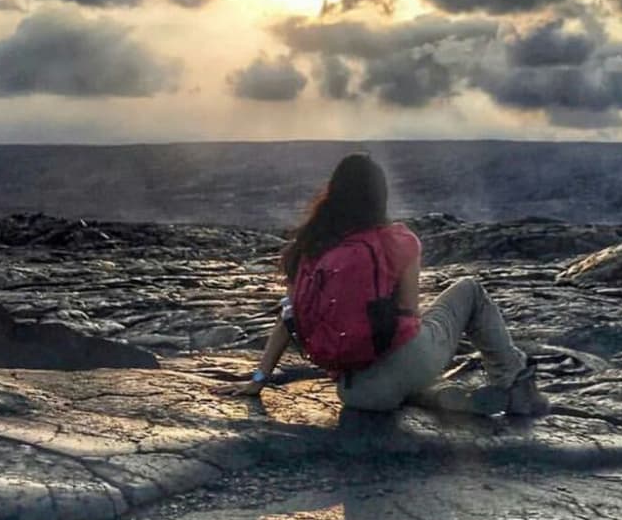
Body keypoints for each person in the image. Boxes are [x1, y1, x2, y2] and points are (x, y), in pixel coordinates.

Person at [235, 151, 548, 417]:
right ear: (379, 196)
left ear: (332, 192)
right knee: (470, 290)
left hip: (357, 392)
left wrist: (258, 380)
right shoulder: (397, 241)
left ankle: (433, 397)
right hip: (412, 362)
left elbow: (287, 318)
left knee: (395, 380)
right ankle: (513, 380)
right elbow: (409, 312)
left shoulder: (308, 248)